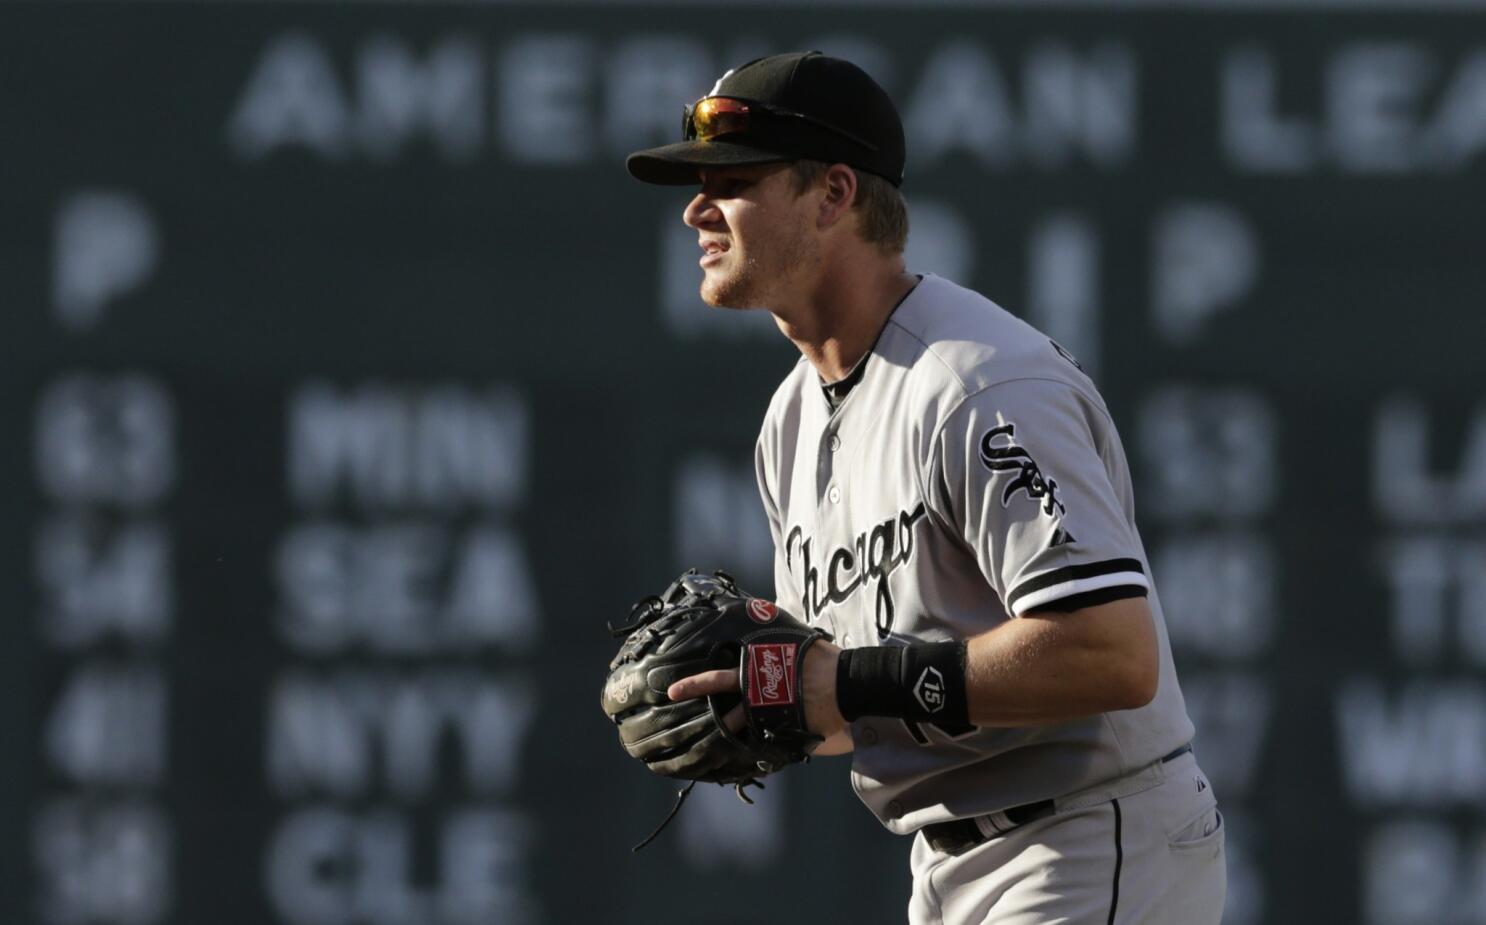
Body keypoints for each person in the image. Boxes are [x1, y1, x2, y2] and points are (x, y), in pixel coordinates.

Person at [626, 51, 1225, 924]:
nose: (696, 208)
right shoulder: (789, 423)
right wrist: (759, 697)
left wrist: (839, 683)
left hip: (1088, 839)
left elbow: (1112, 651)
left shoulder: (976, 385)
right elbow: (850, 702)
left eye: (735, 180)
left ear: (834, 194)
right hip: (949, 864)